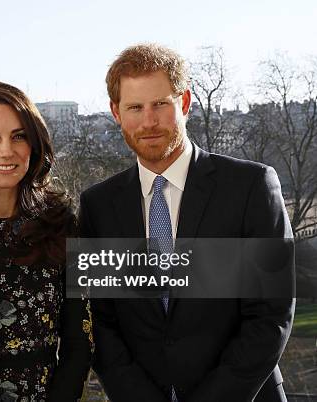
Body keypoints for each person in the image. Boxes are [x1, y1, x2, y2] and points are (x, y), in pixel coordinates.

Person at [80, 44, 294, 402]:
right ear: (116, 113)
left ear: (184, 103)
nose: (148, 121)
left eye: (160, 104)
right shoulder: (98, 205)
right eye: (135, 107)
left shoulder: (251, 186)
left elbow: (270, 317)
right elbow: (101, 323)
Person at [0, 81, 92, 401]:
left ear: (34, 144)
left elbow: (80, 339)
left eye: (19, 136)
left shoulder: (64, 225)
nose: (6, 151)